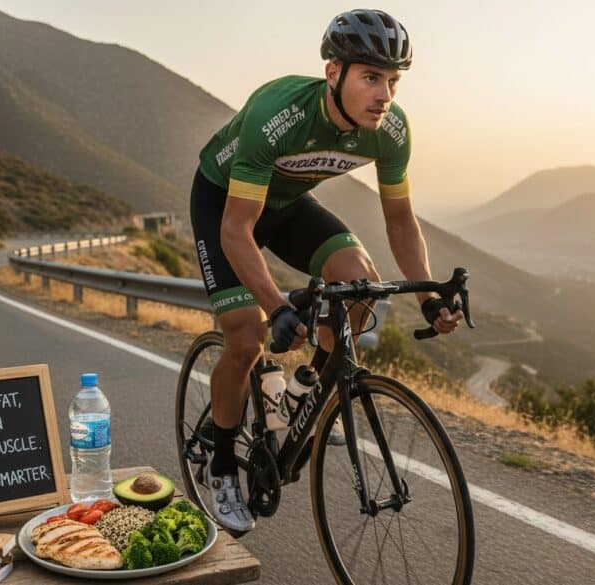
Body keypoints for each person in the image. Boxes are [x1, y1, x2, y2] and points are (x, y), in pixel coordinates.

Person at [190, 9, 462, 533]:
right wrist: (275, 307)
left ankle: (302, 392)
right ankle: (223, 463)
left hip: (287, 203)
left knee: (358, 282)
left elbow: (401, 223)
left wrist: (429, 296)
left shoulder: (391, 131)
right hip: (225, 204)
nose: (384, 94)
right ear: (333, 74)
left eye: (392, 81)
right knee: (247, 338)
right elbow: (235, 231)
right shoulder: (279, 113)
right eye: (370, 78)